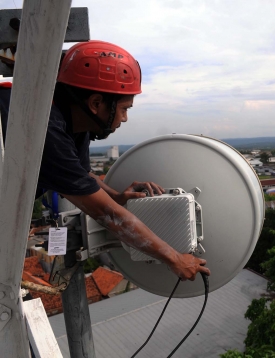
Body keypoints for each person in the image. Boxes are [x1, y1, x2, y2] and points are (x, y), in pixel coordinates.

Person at [0, 40, 210, 281]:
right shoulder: (43, 126)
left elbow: (81, 174)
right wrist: (175, 259)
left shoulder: (69, 120)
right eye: (124, 109)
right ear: (96, 103)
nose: (125, 118)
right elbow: (107, 214)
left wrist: (115, 196)